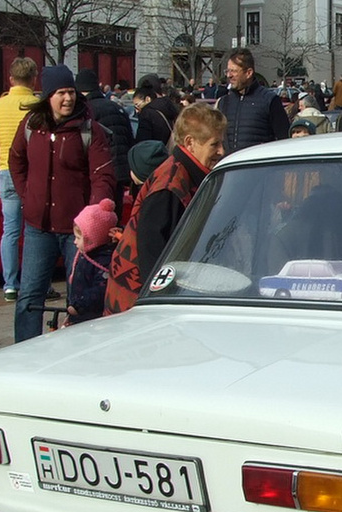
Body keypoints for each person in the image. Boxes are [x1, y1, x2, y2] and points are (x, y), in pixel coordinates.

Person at [9, 65, 117, 342]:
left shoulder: (88, 129)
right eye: (60, 93)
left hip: (76, 233)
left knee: (77, 299)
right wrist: (27, 195)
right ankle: (23, 353)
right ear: (48, 96)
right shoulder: (31, 125)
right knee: (30, 296)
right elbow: (16, 160)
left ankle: (75, 350)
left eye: (70, 92)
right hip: (38, 227)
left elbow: (102, 176)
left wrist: (92, 216)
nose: (68, 98)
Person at [104, 105, 227, 314]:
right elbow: (152, 252)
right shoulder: (169, 187)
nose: (222, 151)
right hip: (136, 299)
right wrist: (160, 302)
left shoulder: (186, 175)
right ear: (190, 142)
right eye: (214, 144)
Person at [0, 57, 38, 301]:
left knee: (10, 230)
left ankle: (10, 284)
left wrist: (3, 166)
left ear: (10, 79)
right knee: (36, 230)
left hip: (6, 170)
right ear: (33, 78)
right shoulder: (38, 105)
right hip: (34, 172)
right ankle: (34, 280)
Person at [75, 68, 135, 207]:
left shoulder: (86, 110)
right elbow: (129, 138)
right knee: (115, 218)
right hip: (121, 170)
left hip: (100, 174)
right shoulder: (117, 107)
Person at [215, 49, 289, 152]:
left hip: (259, 165)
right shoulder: (223, 103)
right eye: (227, 71)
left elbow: (284, 140)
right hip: (230, 165)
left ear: (249, 73)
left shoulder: (269, 100)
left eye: (234, 71)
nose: (229, 75)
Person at [66, 198, 118, 325]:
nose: (75, 242)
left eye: (79, 237)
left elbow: (101, 290)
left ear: (92, 239)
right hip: (79, 316)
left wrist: (79, 305)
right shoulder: (85, 256)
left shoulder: (103, 262)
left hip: (93, 320)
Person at [134, 74, 182, 144]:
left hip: (154, 153)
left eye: (137, 105)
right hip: (173, 151)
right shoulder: (173, 107)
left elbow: (143, 144)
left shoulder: (147, 113)